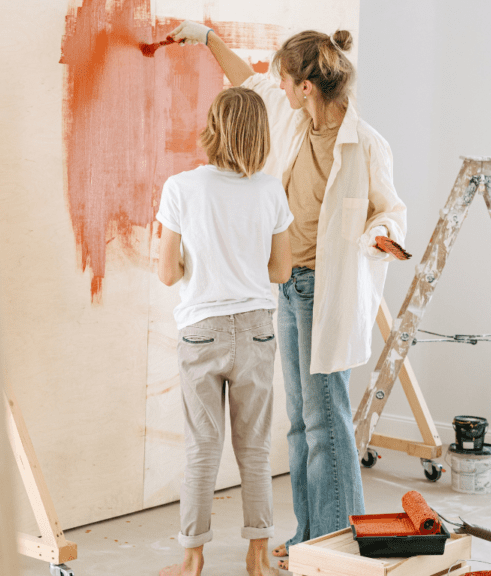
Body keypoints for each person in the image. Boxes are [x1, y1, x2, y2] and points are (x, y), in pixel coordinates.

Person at [171, 21, 408, 570]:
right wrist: (207, 39)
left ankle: (335, 539)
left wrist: (383, 238)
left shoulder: (365, 143)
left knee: (327, 417)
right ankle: (309, 533)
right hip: (289, 285)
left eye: (284, 78)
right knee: (301, 422)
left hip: (329, 290)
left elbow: (390, 209)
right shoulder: (290, 113)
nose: (275, 85)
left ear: (306, 85)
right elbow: (246, 81)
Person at [155, 86, 294, 576]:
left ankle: (192, 559)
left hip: (201, 330)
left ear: (212, 127)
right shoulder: (271, 189)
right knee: (255, 449)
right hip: (256, 329)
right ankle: (258, 556)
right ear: (259, 134)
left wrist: (201, 258)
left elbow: (167, 273)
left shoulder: (180, 187)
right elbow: (280, 271)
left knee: (202, 447)